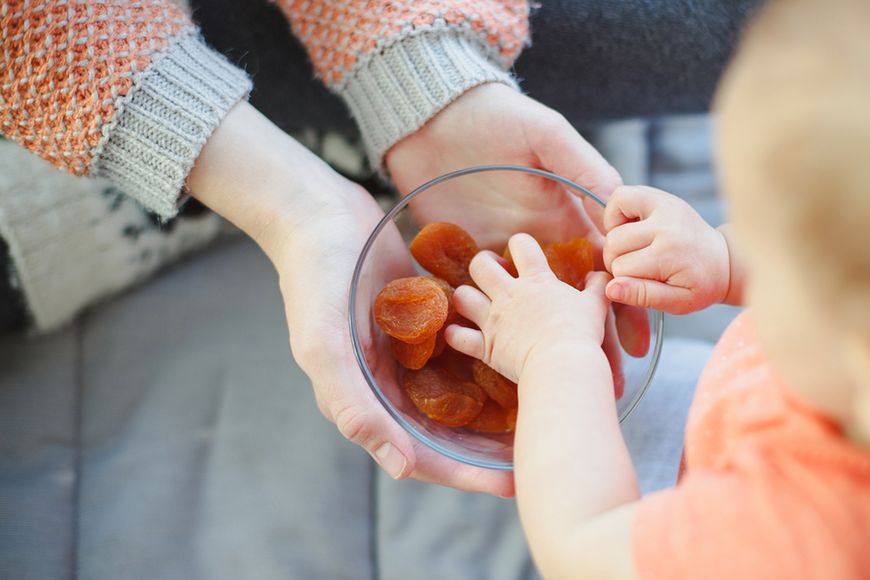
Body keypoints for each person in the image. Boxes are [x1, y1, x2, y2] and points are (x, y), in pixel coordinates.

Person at [443, 0, 870, 577]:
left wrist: (556, 357)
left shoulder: (792, 532)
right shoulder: (840, 361)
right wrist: (722, 257)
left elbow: (583, 543)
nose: (755, 259)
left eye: (765, 254)